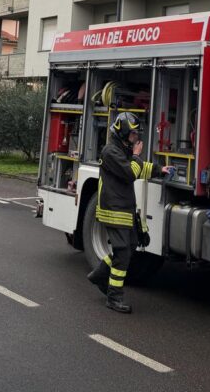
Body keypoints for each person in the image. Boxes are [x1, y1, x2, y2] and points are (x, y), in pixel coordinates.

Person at [87, 112, 173, 314]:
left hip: (123, 207)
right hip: (114, 209)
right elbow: (130, 172)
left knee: (131, 244)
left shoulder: (121, 150)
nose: (136, 137)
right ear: (123, 132)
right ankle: (114, 296)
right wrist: (136, 155)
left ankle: (99, 274)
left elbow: (138, 168)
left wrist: (160, 170)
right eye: (133, 134)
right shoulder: (110, 152)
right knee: (123, 252)